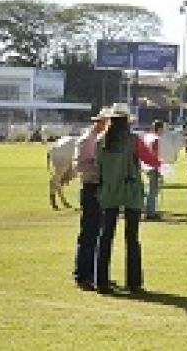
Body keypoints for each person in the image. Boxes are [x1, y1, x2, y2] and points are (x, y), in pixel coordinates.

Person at [94, 104, 160, 295]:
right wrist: (161, 165)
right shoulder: (133, 140)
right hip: (131, 191)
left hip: (108, 191)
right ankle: (133, 282)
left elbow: (98, 164)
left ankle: (102, 281)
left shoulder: (101, 141)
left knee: (105, 237)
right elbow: (149, 159)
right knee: (132, 238)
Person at [73, 107, 109, 290]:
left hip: (98, 187)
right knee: (90, 232)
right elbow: (80, 165)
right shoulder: (89, 140)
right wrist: (99, 169)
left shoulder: (96, 139)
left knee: (97, 232)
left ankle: (91, 273)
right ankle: (83, 274)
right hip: (91, 186)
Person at [143, 120, 164, 221]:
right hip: (153, 167)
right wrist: (158, 166)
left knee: (149, 189)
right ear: (159, 129)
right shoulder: (156, 139)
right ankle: (151, 212)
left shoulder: (147, 136)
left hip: (145, 166)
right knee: (153, 190)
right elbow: (154, 153)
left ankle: (148, 209)